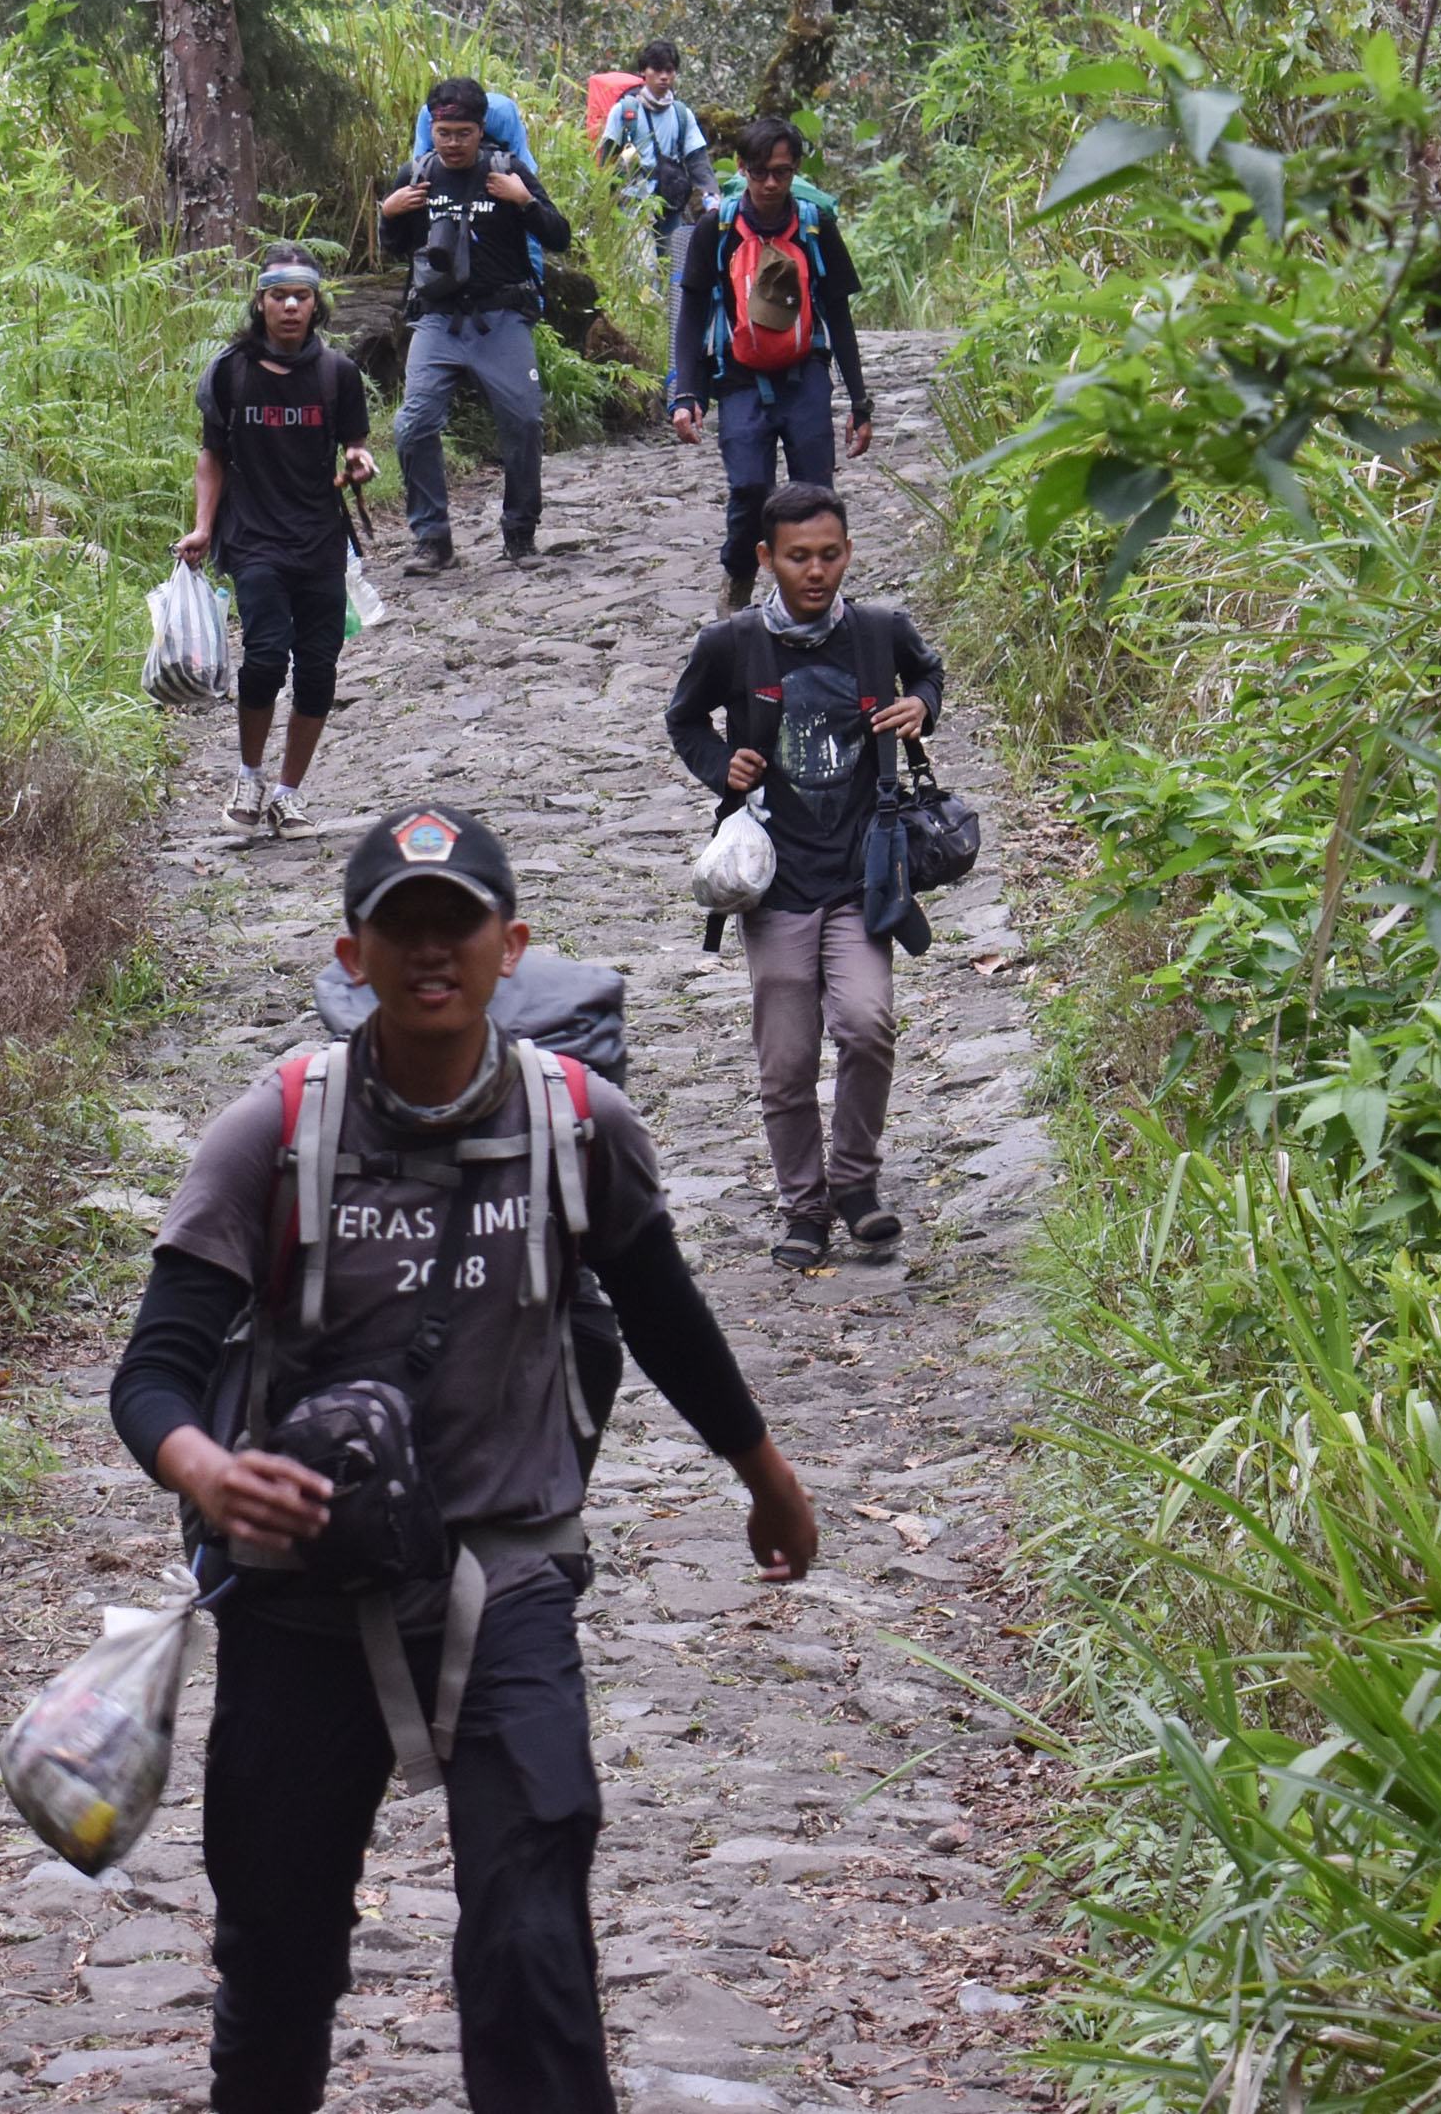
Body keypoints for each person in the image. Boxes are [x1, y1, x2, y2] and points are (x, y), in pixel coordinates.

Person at [113, 804, 819, 2113]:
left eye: (459, 924)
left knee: (533, 1942)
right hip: (297, 1589)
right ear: (351, 952)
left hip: (508, 1576)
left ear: (513, 943)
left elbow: (662, 1307)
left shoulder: (577, 1123)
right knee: (276, 1950)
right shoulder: (268, 1132)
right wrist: (204, 1467)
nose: (431, 950)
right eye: (402, 927)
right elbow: (153, 1365)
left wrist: (761, 1467)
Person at [661, 482, 944, 1268]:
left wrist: (918, 706)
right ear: (767, 559)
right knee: (785, 1060)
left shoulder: (880, 632)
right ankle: (803, 1206)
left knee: (867, 1023)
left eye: (828, 555)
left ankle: (855, 1184)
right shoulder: (733, 644)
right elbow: (683, 719)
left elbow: (928, 676)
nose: (814, 572)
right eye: (797, 558)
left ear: (848, 553)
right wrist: (726, 767)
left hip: (864, 875)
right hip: (775, 884)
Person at [179, 246, 380, 836]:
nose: (290, 307)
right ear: (260, 301)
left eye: (302, 297)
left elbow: (355, 446)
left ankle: (288, 793)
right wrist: (203, 526)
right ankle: (248, 777)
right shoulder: (229, 371)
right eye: (278, 296)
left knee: (318, 670)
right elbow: (212, 455)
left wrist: (359, 462)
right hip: (254, 537)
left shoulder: (337, 374)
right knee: (265, 656)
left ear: (316, 305)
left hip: (319, 539)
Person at [668, 116, 873, 609]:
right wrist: (686, 393)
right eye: (759, 172)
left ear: (795, 170)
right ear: (741, 168)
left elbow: (839, 316)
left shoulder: (815, 227)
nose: (769, 184)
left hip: (804, 377)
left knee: (816, 497)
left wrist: (859, 401)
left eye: (781, 172)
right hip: (738, 380)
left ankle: (812, 600)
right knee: (749, 491)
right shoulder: (714, 231)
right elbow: (692, 313)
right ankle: (740, 574)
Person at [384, 77, 572, 573]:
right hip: (438, 321)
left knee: (525, 421)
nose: (452, 142)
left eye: (463, 132)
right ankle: (433, 539)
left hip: (502, 317)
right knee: (414, 424)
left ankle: (519, 533)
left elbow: (559, 237)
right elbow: (395, 248)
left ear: (481, 128)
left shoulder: (508, 170)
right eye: (444, 132)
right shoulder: (418, 174)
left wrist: (523, 200)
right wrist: (389, 213)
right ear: (432, 128)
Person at [595, 40, 709, 241]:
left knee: (672, 268)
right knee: (643, 268)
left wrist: (711, 195)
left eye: (669, 70)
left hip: (671, 203)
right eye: (656, 70)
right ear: (643, 71)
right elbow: (607, 161)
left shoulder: (682, 114)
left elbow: (697, 159)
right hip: (632, 203)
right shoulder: (625, 112)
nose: (663, 76)